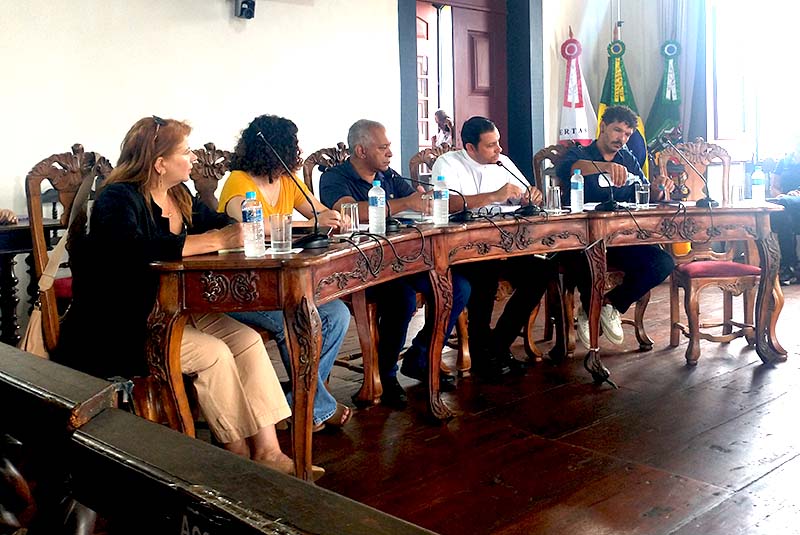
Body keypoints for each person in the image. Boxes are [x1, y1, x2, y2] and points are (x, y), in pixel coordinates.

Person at [55, 116, 321, 479]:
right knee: (214, 354)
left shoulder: (179, 195)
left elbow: (214, 222)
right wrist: (216, 240)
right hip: (120, 324)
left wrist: (235, 226)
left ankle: (268, 452)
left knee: (246, 341)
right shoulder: (117, 198)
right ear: (159, 163)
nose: (193, 158)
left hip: (171, 308)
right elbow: (134, 250)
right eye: (185, 151)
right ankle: (237, 458)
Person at [319, 119, 470, 408]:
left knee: (458, 287)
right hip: (361, 268)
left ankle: (420, 357)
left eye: (389, 147)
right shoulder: (334, 178)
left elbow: (414, 198)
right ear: (361, 151)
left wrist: (425, 201)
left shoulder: (388, 175)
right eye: (383, 147)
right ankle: (385, 374)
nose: (390, 153)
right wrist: (406, 204)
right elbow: (350, 210)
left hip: (403, 259)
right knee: (402, 299)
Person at [217, 114, 352, 431]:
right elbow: (251, 224)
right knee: (295, 320)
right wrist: (309, 223)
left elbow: (317, 211)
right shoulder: (238, 181)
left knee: (337, 314)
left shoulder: (287, 181)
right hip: (243, 286)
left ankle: (296, 403)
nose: (296, 151)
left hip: (281, 282)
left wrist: (334, 217)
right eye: (292, 145)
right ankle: (313, 408)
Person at [431, 116, 553, 378]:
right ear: (470, 148)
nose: (499, 149)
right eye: (490, 145)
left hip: (506, 246)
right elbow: (444, 203)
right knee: (484, 273)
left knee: (542, 271)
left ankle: (498, 345)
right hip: (464, 250)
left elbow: (527, 194)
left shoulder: (502, 162)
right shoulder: (448, 163)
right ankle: (481, 355)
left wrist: (531, 196)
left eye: (498, 142)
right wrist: (494, 196)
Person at [555, 105, 675, 348]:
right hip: (582, 240)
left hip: (622, 237)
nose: (622, 138)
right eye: (617, 130)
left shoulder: (627, 158)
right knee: (590, 262)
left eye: (627, 134)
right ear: (603, 127)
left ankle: (610, 304)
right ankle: (590, 308)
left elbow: (643, 192)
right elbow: (568, 169)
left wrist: (658, 189)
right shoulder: (580, 153)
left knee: (663, 262)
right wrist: (605, 167)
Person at [768, 155, 800, 285]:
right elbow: (774, 186)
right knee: (782, 212)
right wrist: (780, 196)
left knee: (786, 207)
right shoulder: (784, 161)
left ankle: (789, 266)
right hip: (785, 203)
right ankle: (790, 265)